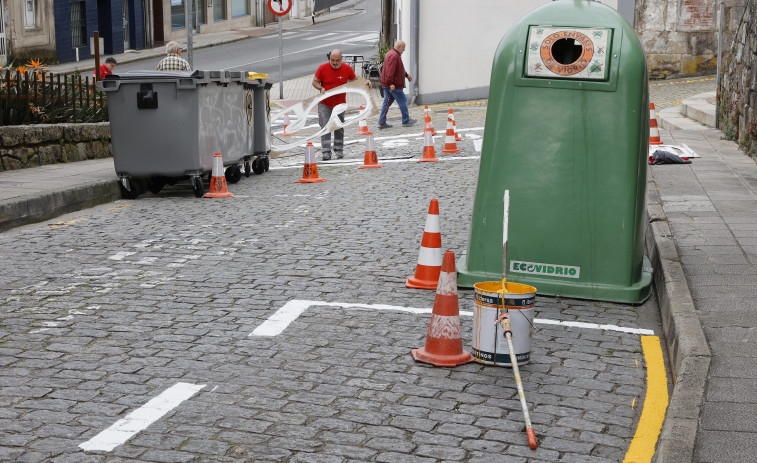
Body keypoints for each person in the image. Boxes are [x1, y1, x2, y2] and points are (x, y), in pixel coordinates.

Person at [312, 49, 370, 161]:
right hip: (325, 103)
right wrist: (321, 88)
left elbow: (355, 80)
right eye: (332, 60)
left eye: (337, 60)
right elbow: (315, 82)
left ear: (341, 59)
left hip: (340, 104)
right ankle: (326, 152)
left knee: (338, 126)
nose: (334, 62)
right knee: (325, 127)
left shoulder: (346, 69)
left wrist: (365, 82)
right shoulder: (322, 68)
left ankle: (339, 150)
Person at [378, 40, 416, 129]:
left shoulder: (392, 54)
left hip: (388, 84)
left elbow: (399, 69)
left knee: (386, 103)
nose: (404, 50)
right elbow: (390, 71)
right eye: (403, 48)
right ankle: (406, 121)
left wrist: (406, 75)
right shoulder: (395, 56)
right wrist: (391, 83)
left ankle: (382, 122)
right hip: (393, 85)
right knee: (402, 100)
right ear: (399, 47)